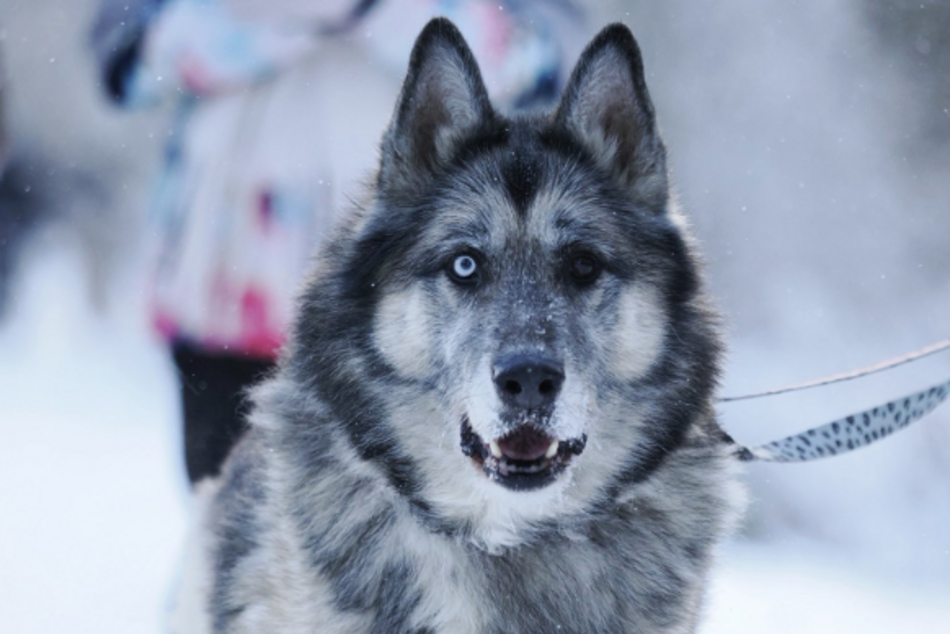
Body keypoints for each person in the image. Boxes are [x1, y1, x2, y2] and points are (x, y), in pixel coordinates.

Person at [92, 0, 587, 484]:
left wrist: (382, 12)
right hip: (230, 282)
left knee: (415, 535)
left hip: (422, 299)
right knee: (227, 524)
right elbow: (125, 59)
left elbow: (546, 64)